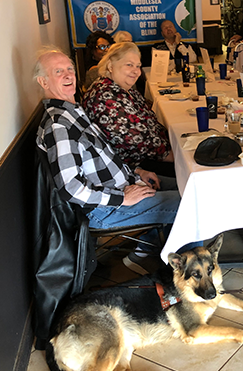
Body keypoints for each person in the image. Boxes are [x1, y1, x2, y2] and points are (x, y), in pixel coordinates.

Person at [35, 48, 185, 275]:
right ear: (43, 81)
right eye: (58, 71)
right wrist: (122, 197)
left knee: (189, 184)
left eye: (69, 69)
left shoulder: (72, 112)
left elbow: (105, 155)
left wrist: (137, 172)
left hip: (125, 185)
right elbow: (70, 187)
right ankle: (190, 276)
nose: (68, 75)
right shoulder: (59, 125)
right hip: (105, 209)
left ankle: (148, 248)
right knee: (190, 204)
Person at [83, 42, 174, 174]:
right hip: (133, 167)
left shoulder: (122, 89)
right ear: (110, 66)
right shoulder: (105, 96)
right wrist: (172, 156)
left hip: (150, 155)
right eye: (129, 65)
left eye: (138, 66)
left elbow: (149, 123)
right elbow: (133, 142)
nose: (136, 71)